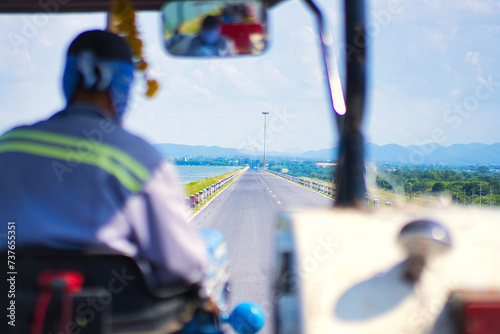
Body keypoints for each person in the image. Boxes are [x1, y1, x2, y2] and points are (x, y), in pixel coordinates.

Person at [0, 30, 206, 288]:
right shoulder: (140, 159)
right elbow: (185, 266)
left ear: (66, 79)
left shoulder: (8, 146)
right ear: (124, 86)